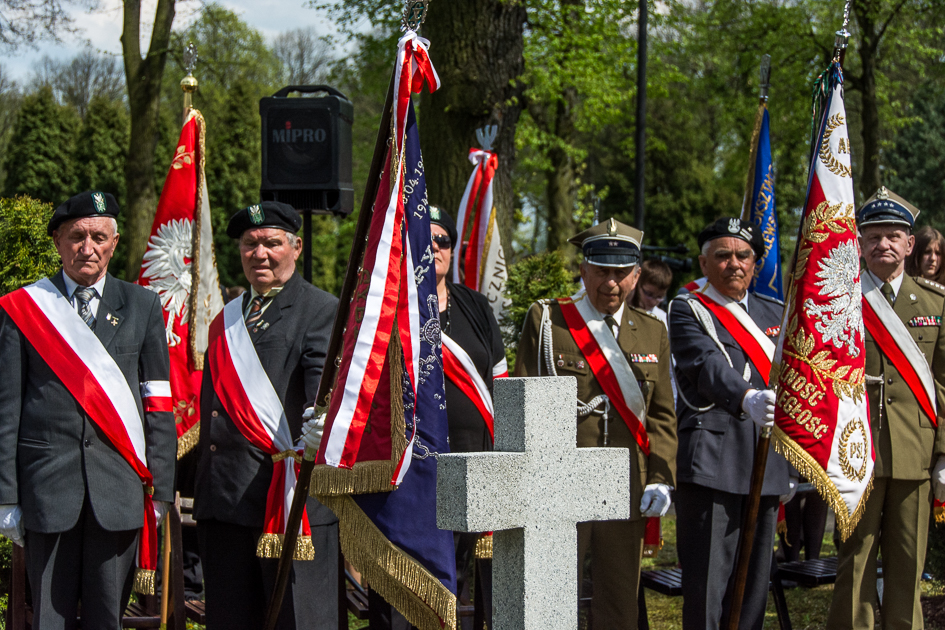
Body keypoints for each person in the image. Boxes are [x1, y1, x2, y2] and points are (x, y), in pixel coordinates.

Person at [0, 191, 176, 629]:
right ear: (58, 241)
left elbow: (158, 403)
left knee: (106, 620)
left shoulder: (143, 306)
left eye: (99, 236)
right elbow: (6, 408)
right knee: (47, 620)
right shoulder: (24, 309)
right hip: (46, 490)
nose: (88, 247)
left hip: (117, 491)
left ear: (114, 243)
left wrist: (162, 492)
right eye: (77, 236)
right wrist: (5, 496)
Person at [515, 218, 677, 629]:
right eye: (601, 271)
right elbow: (525, 400)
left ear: (637, 275)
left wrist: (661, 476)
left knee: (618, 599)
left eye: (622, 273)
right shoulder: (549, 320)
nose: (611, 283)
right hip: (562, 477)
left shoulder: (652, 331)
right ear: (583, 270)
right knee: (555, 597)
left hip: (626, 481)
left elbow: (661, 415)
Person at [193, 201, 340, 630]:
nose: (260, 254)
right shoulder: (227, 318)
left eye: (272, 243)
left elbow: (321, 396)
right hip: (224, 501)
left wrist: (319, 424)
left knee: (298, 620)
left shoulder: (321, 309)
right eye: (250, 244)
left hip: (287, 498)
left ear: (296, 246)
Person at [827, 188, 945, 630]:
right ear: (858, 244)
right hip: (854, 455)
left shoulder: (935, 304)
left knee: (907, 569)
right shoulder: (836, 302)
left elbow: (943, 386)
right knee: (853, 565)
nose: (884, 245)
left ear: (909, 244)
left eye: (894, 236)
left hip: (915, 455)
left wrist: (943, 454)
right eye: (873, 236)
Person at [668, 216, 793, 630]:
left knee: (754, 587)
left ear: (755, 264)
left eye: (743, 256)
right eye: (722, 256)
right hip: (714, 462)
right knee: (708, 589)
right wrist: (745, 397)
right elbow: (704, 365)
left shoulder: (773, 312)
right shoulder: (688, 308)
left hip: (767, 461)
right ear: (704, 264)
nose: (734, 263)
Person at [433, 207, 506, 629]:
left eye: (443, 240)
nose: (435, 246)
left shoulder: (475, 305)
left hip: (478, 468)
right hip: (418, 471)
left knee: (478, 585)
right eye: (425, 237)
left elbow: (500, 378)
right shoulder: (393, 307)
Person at [629, 259, 672, 327]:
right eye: (649, 294)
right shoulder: (623, 310)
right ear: (638, 283)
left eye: (659, 297)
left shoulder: (663, 320)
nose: (653, 302)